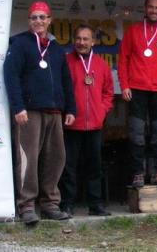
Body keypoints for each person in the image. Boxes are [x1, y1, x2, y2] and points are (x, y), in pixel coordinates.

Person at [4, 1, 76, 224]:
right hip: (30, 111)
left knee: (55, 158)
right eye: (34, 17)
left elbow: (66, 80)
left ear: (49, 20)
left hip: (54, 111)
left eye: (42, 17)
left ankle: (50, 204)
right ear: (29, 21)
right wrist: (18, 107)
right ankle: (26, 205)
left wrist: (70, 108)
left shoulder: (56, 49)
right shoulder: (20, 44)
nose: (38, 21)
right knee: (28, 158)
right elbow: (11, 75)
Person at [118, 0, 157, 188]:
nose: (154, 11)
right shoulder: (133, 31)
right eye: (151, 7)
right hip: (136, 89)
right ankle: (138, 172)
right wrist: (125, 85)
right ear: (145, 9)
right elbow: (123, 60)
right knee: (137, 133)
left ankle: (156, 172)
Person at [59, 24, 113, 217]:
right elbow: (61, 91)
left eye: (86, 39)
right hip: (72, 124)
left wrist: (102, 110)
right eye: (78, 39)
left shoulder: (101, 64)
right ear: (74, 40)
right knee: (68, 166)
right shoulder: (65, 62)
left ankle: (95, 205)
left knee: (94, 167)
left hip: (95, 125)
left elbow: (108, 92)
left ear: (93, 41)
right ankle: (67, 204)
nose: (81, 42)